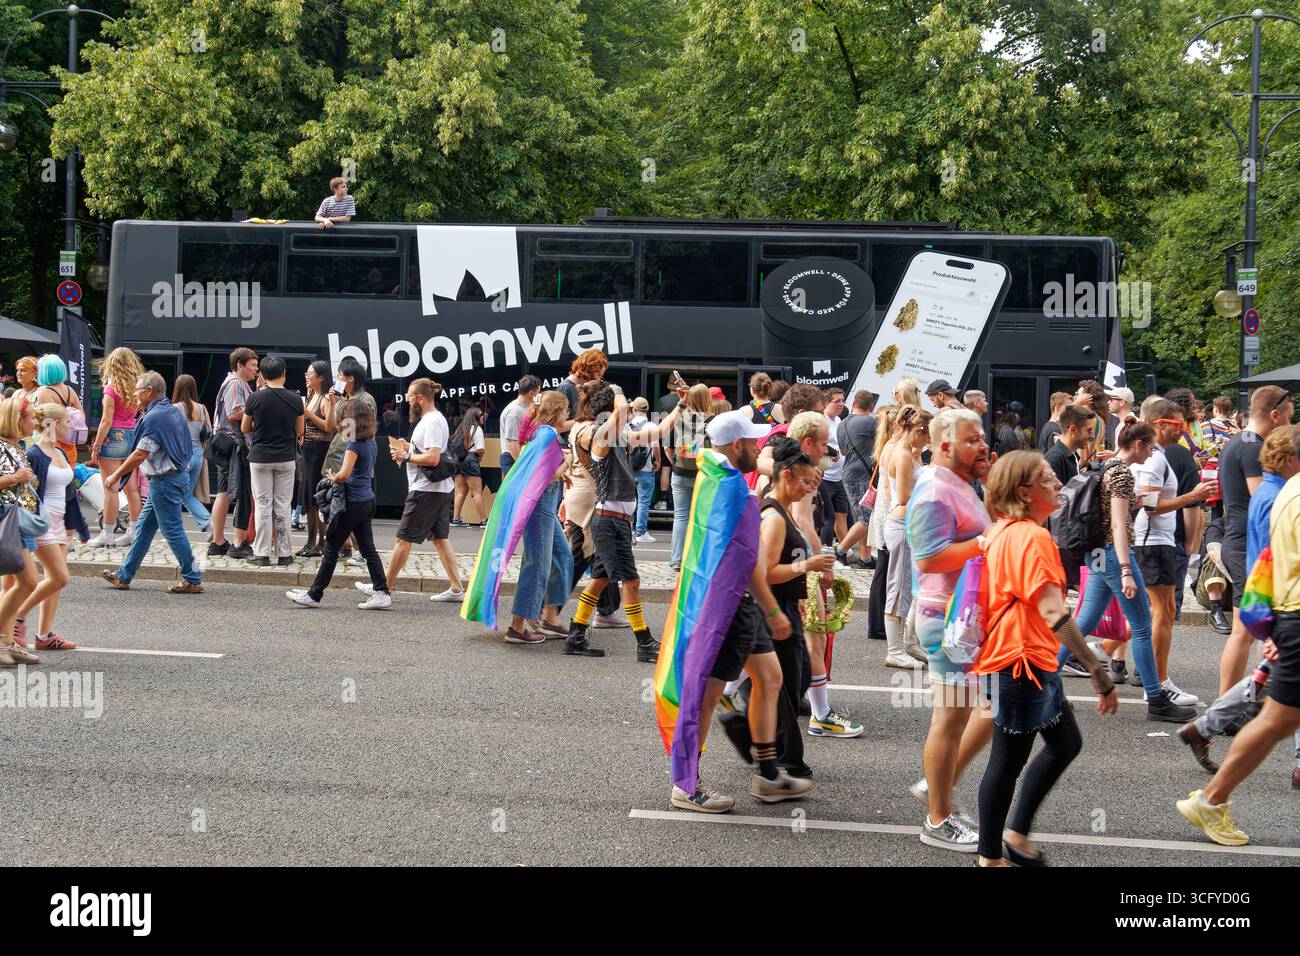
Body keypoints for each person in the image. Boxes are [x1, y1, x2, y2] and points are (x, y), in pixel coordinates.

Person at [974, 451, 1117, 866]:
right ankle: (990, 857)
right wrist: (1096, 668)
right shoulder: (1032, 538)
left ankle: (1016, 834)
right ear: (1024, 492)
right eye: (1048, 479)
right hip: (1020, 662)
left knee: (1065, 743)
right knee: (1007, 762)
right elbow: (1055, 613)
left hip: (1026, 659)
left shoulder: (1000, 530)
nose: (1058, 485)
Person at [671, 410, 810, 811]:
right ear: (737, 446)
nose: (758, 449)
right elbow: (750, 563)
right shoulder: (737, 492)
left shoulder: (714, 477)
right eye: (753, 443)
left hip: (729, 602)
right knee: (707, 696)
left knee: (769, 677)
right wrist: (773, 611)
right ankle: (686, 784)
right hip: (727, 607)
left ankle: (767, 775)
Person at [1177, 436, 1300, 845]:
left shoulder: (1286, 491)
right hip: (1292, 615)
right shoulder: (1288, 494)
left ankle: (1209, 766)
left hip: (1286, 613)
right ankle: (1211, 797)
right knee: (1274, 721)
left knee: (1275, 719)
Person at [905, 407, 994, 853]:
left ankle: (936, 786)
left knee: (993, 708)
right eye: (972, 440)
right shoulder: (935, 491)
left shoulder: (959, 483)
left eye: (981, 437)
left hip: (967, 619)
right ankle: (937, 818)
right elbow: (928, 558)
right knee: (951, 720)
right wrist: (985, 542)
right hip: (947, 621)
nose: (983, 445)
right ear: (944, 446)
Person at [564, 379, 687, 659]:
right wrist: (617, 391)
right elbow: (620, 412)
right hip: (609, 521)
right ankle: (644, 642)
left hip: (615, 520)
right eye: (623, 407)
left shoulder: (621, 438)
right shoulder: (600, 437)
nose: (628, 409)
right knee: (631, 581)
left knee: (600, 579)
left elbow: (659, 431)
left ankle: (576, 635)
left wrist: (681, 405)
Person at [761, 436, 857, 763]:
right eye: (805, 481)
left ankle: (776, 758)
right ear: (787, 475)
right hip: (775, 612)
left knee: (786, 686)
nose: (808, 489)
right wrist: (808, 566)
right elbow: (765, 573)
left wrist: (799, 591)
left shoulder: (783, 511)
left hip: (786, 607)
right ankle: (778, 761)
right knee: (783, 689)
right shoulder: (775, 516)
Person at [357, 378, 466, 606]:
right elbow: (429, 452)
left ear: (420, 398)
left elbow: (433, 458)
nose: (407, 400)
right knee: (440, 539)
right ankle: (456, 588)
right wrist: (409, 447)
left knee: (402, 539)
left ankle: (383, 590)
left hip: (425, 490)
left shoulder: (431, 422)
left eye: (409, 396)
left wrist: (406, 455)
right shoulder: (433, 419)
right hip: (438, 489)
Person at [1216, 385, 1293, 696]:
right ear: (1275, 415)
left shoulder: (1239, 441)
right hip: (1248, 544)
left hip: (1240, 540)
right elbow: (1265, 499)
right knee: (1247, 631)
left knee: (1248, 631)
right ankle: (1230, 703)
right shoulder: (1252, 447)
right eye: (1289, 417)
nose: (1290, 424)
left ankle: (1241, 700)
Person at [100, 372, 203, 594]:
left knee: (172, 531)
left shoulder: (155, 417)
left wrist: (115, 475)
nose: (135, 394)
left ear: (148, 392)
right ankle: (124, 575)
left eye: (137, 390)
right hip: (171, 479)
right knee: (144, 530)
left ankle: (193, 578)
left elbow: (141, 453)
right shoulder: (170, 411)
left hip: (165, 481)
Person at [287, 399, 389, 608]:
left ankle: (314, 594)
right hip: (366, 499)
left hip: (351, 502)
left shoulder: (354, 445)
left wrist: (334, 476)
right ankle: (382, 591)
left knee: (331, 547)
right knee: (368, 549)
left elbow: (344, 474)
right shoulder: (370, 441)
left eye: (343, 418)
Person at [499, 391, 573, 644]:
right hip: (540, 503)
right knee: (538, 564)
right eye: (565, 410)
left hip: (543, 504)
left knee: (562, 557)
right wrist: (566, 464)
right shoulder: (547, 434)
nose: (567, 414)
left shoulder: (540, 431)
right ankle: (517, 626)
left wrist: (560, 469)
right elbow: (543, 476)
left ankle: (548, 618)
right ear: (557, 412)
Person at [19, 403, 88, 650]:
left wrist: (80, 526)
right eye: (67, 422)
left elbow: (69, 494)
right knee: (60, 577)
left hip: (60, 522)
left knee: (54, 582)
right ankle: (16, 615)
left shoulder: (59, 451)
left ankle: (44, 635)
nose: (70, 427)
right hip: (42, 522)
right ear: (54, 424)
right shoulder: (34, 454)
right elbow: (26, 493)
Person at [241, 355, 304, 566]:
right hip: (286, 457)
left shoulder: (254, 398)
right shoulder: (296, 399)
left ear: (262, 375)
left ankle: (262, 553)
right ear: (284, 373)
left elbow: (245, 428)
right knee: (283, 505)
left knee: (263, 505)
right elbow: (300, 430)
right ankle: (285, 553)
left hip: (260, 458)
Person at [88, 346, 146, 547]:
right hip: (132, 436)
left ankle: (107, 533)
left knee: (111, 489)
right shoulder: (136, 389)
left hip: (112, 436)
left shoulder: (111, 388)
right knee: (132, 489)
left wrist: (96, 446)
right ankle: (133, 531)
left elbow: (106, 420)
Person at [0, 397, 42, 666]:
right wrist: (15, 478)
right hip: (7, 519)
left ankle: (7, 641)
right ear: (17, 420)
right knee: (27, 581)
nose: (35, 423)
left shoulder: (18, 446)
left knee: (21, 583)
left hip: (20, 519)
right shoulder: (2, 446)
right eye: (31, 418)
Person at [208, 347, 260, 559]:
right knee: (242, 493)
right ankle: (238, 543)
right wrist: (257, 406)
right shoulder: (235, 383)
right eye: (253, 365)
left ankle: (218, 542)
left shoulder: (238, 383)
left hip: (227, 444)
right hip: (235, 444)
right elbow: (233, 413)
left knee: (223, 493)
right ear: (240, 365)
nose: (256, 370)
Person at [666, 384, 715, 570]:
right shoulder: (713, 421)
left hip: (680, 472)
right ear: (707, 399)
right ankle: (697, 561)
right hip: (703, 475)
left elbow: (667, 447)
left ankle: (677, 560)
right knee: (702, 518)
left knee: (680, 517)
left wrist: (675, 463)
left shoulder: (678, 418)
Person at [298, 360, 336, 557]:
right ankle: (310, 541)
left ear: (321, 377)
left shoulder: (325, 399)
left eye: (310, 373)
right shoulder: (311, 395)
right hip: (308, 450)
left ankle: (321, 543)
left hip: (319, 451)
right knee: (309, 499)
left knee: (317, 498)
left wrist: (307, 414)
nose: (307, 376)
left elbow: (329, 427)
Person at [836, 389, 877, 567]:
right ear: (871, 406)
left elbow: (843, 451)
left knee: (861, 517)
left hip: (848, 473)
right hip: (862, 475)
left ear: (853, 403)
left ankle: (865, 558)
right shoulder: (871, 422)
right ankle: (840, 551)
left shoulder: (842, 424)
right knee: (866, 519)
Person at [170, 375, 212, 533]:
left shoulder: (175, 408)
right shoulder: (202, 408)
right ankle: (207, 523)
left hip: (181, 455)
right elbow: (208, 431)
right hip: (197, 455)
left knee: (174, 492)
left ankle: (175, 527)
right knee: (187, 494)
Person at [33, 353, 85, 467]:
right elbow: (81, 414)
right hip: (70, 442)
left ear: (45, 372)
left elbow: (46, 422)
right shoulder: (70, 390)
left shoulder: (43, 392)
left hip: (52, 443)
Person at [818, 387, 851, 551]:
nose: (841, 404)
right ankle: (826, 550)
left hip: (840, 476)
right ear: (826, 403)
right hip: (826, 477)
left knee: (842, 514)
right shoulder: (821, 421)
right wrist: (832, 453)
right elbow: (818, 445)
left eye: (842, 400)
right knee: (828, 517)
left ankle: (844, 551)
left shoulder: (838, 420)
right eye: (836, 401)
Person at [628, 396, 660, 544]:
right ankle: (641, 532)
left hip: (628, 468)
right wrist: (658, 460)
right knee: (643, 502)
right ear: (647, 409)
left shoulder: (627, 424)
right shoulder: (651, 426)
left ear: (633, 409)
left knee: (629, 501)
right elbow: (655, 445)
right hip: (646, 469)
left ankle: (629, 530)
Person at [450, 407, 488, 527]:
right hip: (471, 459)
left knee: (461, 491)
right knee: (476, 492)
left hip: (459, 460)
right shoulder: (477, 429)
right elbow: (480, 449)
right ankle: (483, 520)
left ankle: (456, 519)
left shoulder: (461, 429)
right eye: (481, 415)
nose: (483, 417)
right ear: (475, 417)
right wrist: (480, 458)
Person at [499, 375, 541, 477]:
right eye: (538, 392)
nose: (539, 395)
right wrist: (523, 465)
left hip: (521, 456)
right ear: (531, 393)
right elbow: (512, 443)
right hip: (514, 458)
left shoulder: (524, 408)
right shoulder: (514, 412)